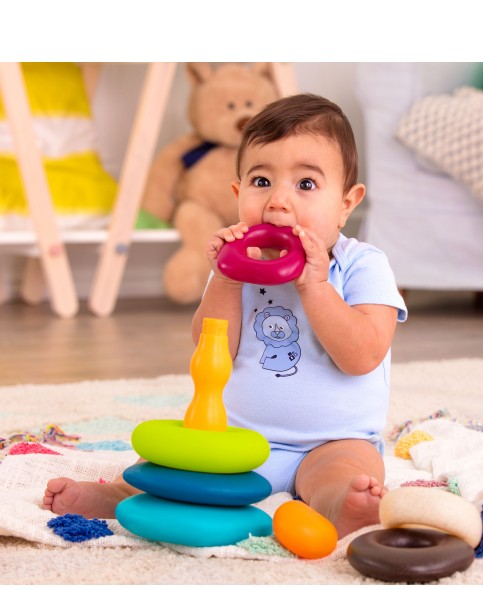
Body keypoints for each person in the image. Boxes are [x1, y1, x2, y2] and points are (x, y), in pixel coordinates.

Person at [43, 93, 408, 539]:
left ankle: (341, 507)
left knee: (346, 476)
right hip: (240, 438)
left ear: (347, 204)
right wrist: (225, 281)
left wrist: (314, 285)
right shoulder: (237, 266)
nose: (278, 202)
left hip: (334, 440)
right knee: (171, 467)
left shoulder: (362, 264)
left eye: (306, 185)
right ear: (237, 193)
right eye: (260, 181)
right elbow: (211, 348)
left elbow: (363, 354)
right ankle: (120, 496)